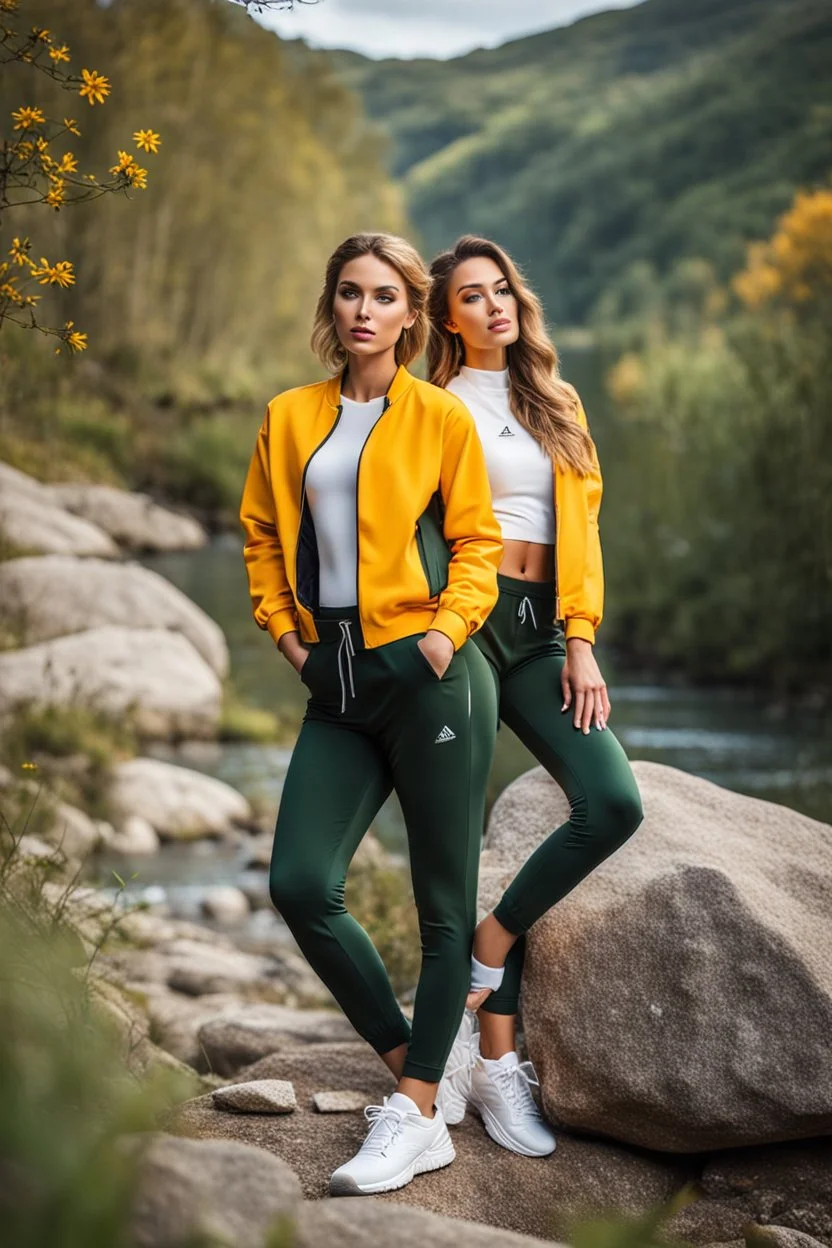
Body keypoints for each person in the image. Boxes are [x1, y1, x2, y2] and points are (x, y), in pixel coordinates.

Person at [240, 232, 502, 1195]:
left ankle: (419, 1108)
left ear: (409, 314)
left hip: (431, 674)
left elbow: (477, 539)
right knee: (301, 884)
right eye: (349, 293)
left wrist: (443, 635)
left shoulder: (438, 416)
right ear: (333, 305)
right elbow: (263, 538)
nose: (363, 310)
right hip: (334, 679)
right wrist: (288, 640)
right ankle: (414, 1074)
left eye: (383, 296)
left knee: (443, 911)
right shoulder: (288, 415)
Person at [429, 236, 644, 1158]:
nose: (494, 305)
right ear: (444, 317)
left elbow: (583, 536)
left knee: (613, 803)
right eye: (471, 297)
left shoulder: (556, 401)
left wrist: (582, 641)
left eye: (502, 288)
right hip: (465, 620)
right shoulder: (429, 404)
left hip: (542, 627)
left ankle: (491, 939)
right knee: (460, 826)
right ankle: (495, 1063)